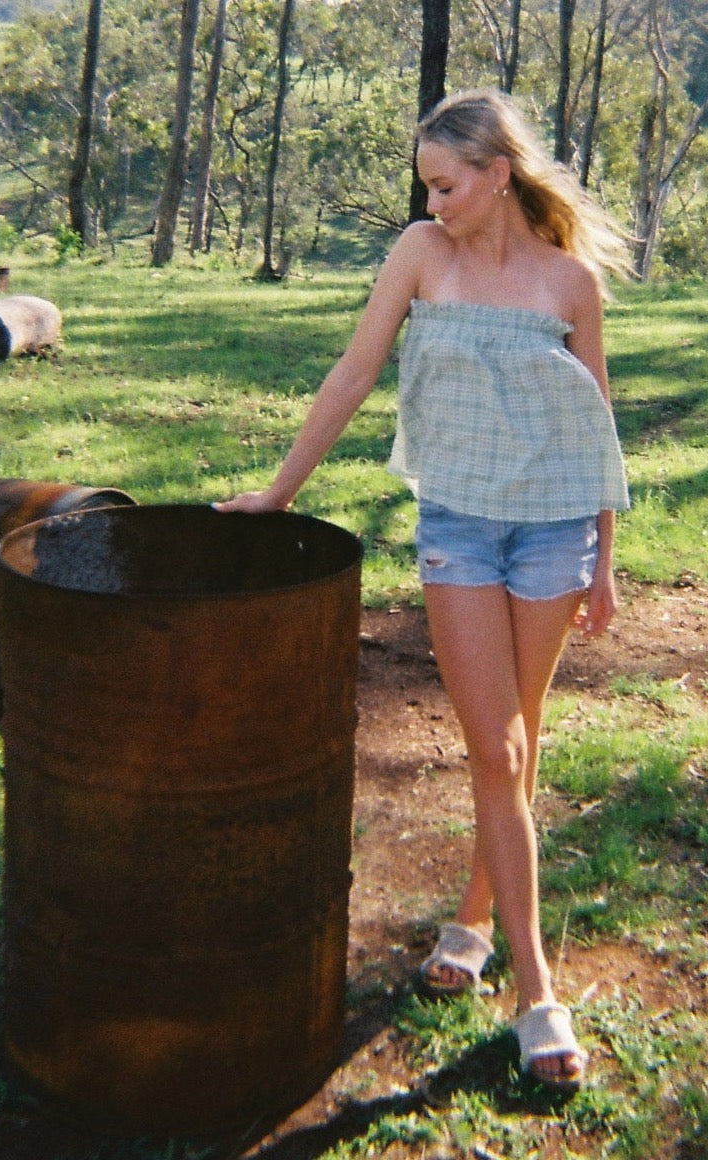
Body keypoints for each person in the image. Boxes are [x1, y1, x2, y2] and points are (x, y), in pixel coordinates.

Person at [215, 88, 630, 1091]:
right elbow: (355, 371)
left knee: (514, 745)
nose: (432, 200)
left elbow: (595, 419)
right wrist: (280, 488)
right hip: (457, 525)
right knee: (494, 747)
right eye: (425, 186)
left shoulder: (568, 281)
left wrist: (604, 560)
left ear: (495, 175)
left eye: (446, 183)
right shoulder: (419, 255)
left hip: (553, 528)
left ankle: (476, 919)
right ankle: (537, 990)